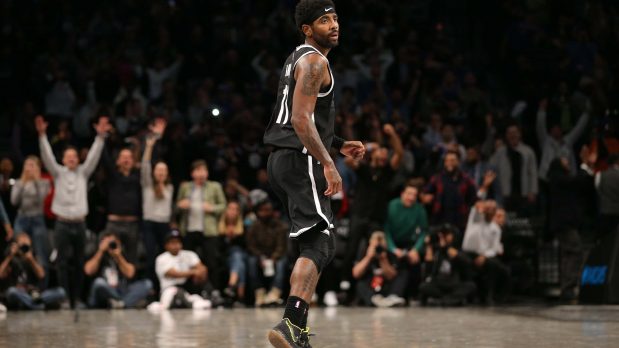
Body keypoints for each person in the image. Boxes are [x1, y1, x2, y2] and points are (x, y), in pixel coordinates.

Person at [262, 1, 365, 346]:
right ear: (307, 29)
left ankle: (296, 330)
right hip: (300, 159)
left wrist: (337, 143)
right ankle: (291, 324)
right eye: (324, 20)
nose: (334, 24)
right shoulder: (314, 61)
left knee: (313, 241)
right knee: (321, 242)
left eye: (336, 17)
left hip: (283, 160)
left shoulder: (297, 58)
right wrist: (328, 162)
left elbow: (303, 116)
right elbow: (300, 120)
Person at [36, 115, 110, 307]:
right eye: (68, 157)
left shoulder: (83, 174)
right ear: (63, 159)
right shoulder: (58, 173)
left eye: (74, 157)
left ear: (78, 159)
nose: (71, 159)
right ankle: (64, 298)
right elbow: (47, 157)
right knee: (61, 263)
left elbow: (93, 156)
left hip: (79, 223)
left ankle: (76, 298)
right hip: (61, 223)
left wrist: (100, 138)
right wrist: (42, 135)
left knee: (78, 263)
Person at [341, 123, 403, 287]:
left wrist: (393, 134)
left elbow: (399, 153)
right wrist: (367, 147)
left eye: (385, 152)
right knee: (351, 249)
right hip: (359, 215)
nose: (384, 155)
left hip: (376, 219)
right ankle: (345, 284)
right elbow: (348, 161)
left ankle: (374, 286)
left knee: (378, 250)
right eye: (380, 151)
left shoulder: (387, 172)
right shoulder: (364, 169)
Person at [175, 160, 226, 292]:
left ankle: (214, 291)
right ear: (192, 173)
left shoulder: (214, 186)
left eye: (204, 170)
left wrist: (212, 208)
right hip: (189, 229)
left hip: (208, 231)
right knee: (187, 263)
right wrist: (181, 205)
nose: (201, 173)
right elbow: (177, 206)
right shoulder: (185, 187)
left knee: (212, 262)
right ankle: (189, 291)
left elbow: (223, 206)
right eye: (198, 170)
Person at [141, 118, 173, 290]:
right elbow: (145, 165)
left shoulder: (170, 188)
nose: (160, 172)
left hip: (164, 224)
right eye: (158, 170)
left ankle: (165, 287)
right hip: (149, 224)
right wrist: (150, 146)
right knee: (151, 255)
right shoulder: (147, 185)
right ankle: (150, 287)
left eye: (163, 170)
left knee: (165, 256)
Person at [84, 232, 153, 308]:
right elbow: (88, 271)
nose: (110, 245)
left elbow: (130, 274)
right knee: (99, 283)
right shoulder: (97, 254)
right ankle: (127, 302)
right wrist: (100, 251)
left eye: (113, 242)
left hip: (121, 290)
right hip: (106, 290)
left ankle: (121, 304)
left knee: (147, 284)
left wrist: (118, 256)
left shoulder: (123, 254)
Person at [10, 156, 51, 285]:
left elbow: (41, 199)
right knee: (19, 252)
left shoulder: (44, 183)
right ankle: (18, 285)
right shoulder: (19, 182)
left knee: (41, 254)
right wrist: (23, 183)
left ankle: (42, 287)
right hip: (21, 220)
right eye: (27, 165)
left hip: (37, 220)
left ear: (38, 167)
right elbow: (14, 201)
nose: (29, 168)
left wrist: (35, 181)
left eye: (32, 165)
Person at [461, 200, 510, 304]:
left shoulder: (495, 228)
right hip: (469, 253)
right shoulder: (476, 219)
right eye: (488, 209)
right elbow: (476, 208)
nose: (490, 211)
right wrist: (480, 206)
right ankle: (468, 296)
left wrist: (484, 256)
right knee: (464, 262)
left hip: (484, 255)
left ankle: (491, 296)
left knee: (498, 267)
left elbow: (494, 248)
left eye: (493, 210)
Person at [0, 233, 66, 310]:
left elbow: (41, 275)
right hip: (19, 293)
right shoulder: (12, 259)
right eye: (22, 246)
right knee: (11, 292)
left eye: (26, 246)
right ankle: (36, 305)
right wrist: (10, 256)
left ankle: (31, 304)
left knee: (61, 292)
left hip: (34, 295)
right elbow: (1, 274)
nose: (24, 249)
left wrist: (31, 260)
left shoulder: (33, 258)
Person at [422, 150, 479, 233]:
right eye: (447, 160)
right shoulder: (437, 178)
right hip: (439, 219)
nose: (449, 163)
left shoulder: (466, 179)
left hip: (459, 220)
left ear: (458, 162)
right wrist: (425, 197)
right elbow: (426, 193)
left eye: (452, 160)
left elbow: (473, 198)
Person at [418, 224, 476, 306]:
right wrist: (429, 246)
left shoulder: (456, 249)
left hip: (454, 285)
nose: (444, 237)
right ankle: (450, 300)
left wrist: (446, 248)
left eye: (447, 234)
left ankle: (446, 300)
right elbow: (428, 271)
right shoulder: (436, 250)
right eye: (442, 235)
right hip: (439, 284)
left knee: (471, 286)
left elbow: (467, 263)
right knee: (423, 287)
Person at [245, 201, 288, 307]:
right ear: (258, 212)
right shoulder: (254, 226)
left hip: (276, 255)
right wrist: (261, 257)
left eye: (267, 210)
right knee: (251, 261)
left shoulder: (280, 225)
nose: (265, 213)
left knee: (282, 262)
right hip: (259, 255)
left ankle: (275, 293)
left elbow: (281, 246)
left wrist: (273, 258)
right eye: (262, 211)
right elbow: (251, 245)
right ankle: (259, 293)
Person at [491, 124, 538, 215]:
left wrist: (533, 191)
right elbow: (491, 168)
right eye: (509, 133)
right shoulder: (500, 152)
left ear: (519, 134)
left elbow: (533, 173)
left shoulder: (528, 151)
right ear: (506, 136)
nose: (512, 135)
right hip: (505, 192)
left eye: (515, 133)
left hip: (523, 192)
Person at [155, 230, 209, 308]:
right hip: (168, 289)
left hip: (186, 288)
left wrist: (198, 276)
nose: (176, 245)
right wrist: (193, 272)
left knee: (195, 295)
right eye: (172, 242)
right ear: (166, 245)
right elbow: (173, 273)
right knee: (171, 295)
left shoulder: (189, 254)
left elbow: (202, 269)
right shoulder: (161, 258)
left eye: (178, 242)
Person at [352, 231, 406, 307]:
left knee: (402, 274)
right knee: (360, 284)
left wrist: (383, 259)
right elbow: (356, 274)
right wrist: (368, 257)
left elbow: (391, 276)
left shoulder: (389, 255)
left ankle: (393, 297)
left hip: (385, 286)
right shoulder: (364, 252)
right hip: (370, 288)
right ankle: (375, 300)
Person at [218, 201, 247, 303]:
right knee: (240, 264)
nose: (233, 211)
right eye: (230, 208)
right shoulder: (219, 227)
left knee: (237, 254)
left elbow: (247, 245)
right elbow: (218, 248)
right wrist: (227, 238)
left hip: (242, 255)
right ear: (226, 211)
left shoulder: (244, 226)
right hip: (226, 257)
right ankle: (240, 297)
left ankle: (231, 285)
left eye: (235, 209)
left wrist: (234, 237)